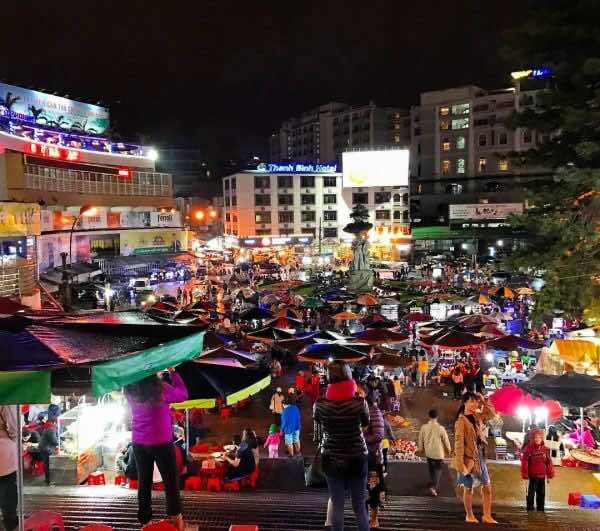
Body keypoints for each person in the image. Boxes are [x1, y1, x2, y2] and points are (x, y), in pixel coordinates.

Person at [125, 369, 188, 530]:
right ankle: (176, 520)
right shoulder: (160, 388)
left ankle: (145, 522)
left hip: (139, 442)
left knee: (144, 482)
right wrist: (174, 373)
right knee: (170, 482)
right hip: (160, 441)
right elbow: (182, 395)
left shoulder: (129, 388)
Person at [314, 361, 370, 531]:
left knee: (337, 505)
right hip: (357, 457)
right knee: (359, 505)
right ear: (348, 376)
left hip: (331, 458)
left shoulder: (320, 404)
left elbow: (317, 434)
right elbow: (365, 424)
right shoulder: (360, 402)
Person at [452, 392, 497, 524]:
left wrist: (483, 401)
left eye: (475, 401)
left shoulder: (477, 416)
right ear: (464, 402)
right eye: (471, 401)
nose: (474, 403)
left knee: (487, 486)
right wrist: (461, 465)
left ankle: (487, 515)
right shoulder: (461, 421)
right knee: (468, 487)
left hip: (480, 457)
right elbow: (458, 444)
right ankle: (469, 515)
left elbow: (491, 414)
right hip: (468, 458)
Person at [417, 409, 452, 497]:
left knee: (431, 469)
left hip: (428, 453)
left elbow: (420, 440)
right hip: (438, 453)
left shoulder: (424, 427)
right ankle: (433, 486)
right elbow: (446, 440)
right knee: (438, 470)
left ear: (429, 416)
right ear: (437, 417)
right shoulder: (441, 428)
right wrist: (449, 449)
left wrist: (420, 449)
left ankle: (432, 481)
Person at [364, 395, 386, 529]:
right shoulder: (362, 413)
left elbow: (378, 435)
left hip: (373, 459)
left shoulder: (375, 412)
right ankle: (366, 516)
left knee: (373, 489)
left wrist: (361, 436)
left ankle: (374, 519)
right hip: (362, 459)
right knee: (365, 489)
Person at [521, 428, 555, 512]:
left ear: (542, 438)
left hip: (542, 476)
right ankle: (530, 509)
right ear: (532, 438)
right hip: (532, 476)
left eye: (539, 438)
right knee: (531, 494)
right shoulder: (528, 449)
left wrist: (550, 473)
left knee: (541, 493)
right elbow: (524, 462)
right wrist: (525, 473)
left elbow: (548, 462)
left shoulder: (545, 449)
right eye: (536, 437)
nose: (538, 439)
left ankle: (540, 508)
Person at [0, 406, 18, 531]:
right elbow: (14, 427)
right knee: (8, 494)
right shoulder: (6, 394)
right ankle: (10, 525)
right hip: (3, 453)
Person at [38, 417, 59, 486]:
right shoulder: (50, 429)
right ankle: (49, 480)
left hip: (44, 448)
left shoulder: (49, 427)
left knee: (46, 464)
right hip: (46, 449)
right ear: (54, 422)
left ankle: (48, 479)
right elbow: (54, 441)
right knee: (48, 464)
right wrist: (61, 443)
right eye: (56, 423)